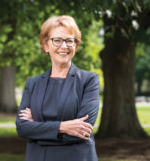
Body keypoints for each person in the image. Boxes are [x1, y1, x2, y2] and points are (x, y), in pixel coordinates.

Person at [16, 15, 100, 161]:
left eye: (69, 40)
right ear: (45, 45)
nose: (64, 46)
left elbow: (83, 131)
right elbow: (23, 128)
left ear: (76, 45)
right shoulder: (33, 83)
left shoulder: (88, 80)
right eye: (57, 40)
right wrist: (63, 126)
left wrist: (37, 128)